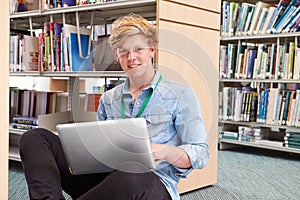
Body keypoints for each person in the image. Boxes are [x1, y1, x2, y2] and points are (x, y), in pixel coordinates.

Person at [19, 13, 209, 200]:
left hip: (152, 184)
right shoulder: (109, 99)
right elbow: (100, 151)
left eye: (138, 49)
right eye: (123, 51)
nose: (131, 57)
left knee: (134, 173)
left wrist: (167, 152)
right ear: (116, 55)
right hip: (108, 182)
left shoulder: (181, 94)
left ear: (152, 49)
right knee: (34, 137)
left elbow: (200, 154)